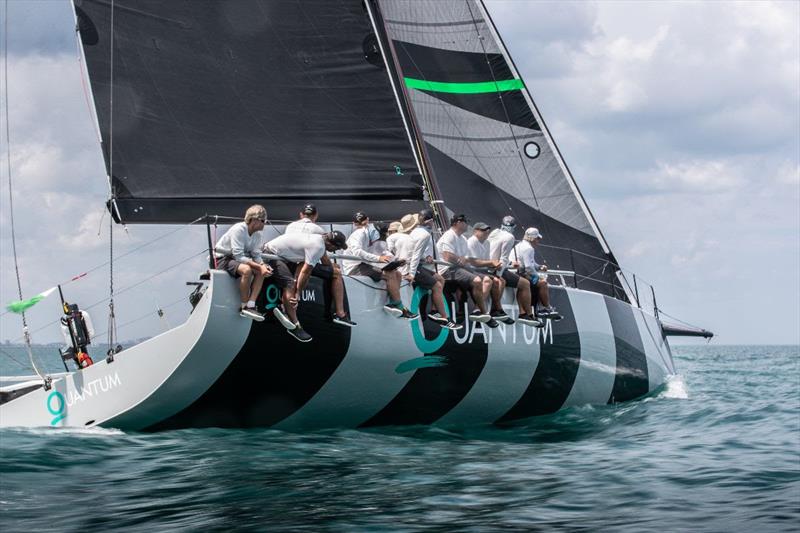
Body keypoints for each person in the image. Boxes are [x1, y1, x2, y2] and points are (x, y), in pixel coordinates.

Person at [263, 231, 353, 342]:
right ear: (331, 244)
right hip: (271, 254)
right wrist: (298, 294)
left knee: (325, 271)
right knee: (290, 284)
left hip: (285, 257)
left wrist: (333, 269)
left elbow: (326, 264)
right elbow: (305, 272)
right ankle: (295, 325)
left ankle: (339, 313)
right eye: (337, 248)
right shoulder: (317, 246)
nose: (336, 250)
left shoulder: (321, 240)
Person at [343, 212, 416, 320]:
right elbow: (357, 252)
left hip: (365, 265)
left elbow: (384, 252)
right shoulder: (359, 233)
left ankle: (392, 303)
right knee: (390, 274)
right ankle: (399, 306)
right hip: (354, 266)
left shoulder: (375, 236)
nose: (380, 239)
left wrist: (397, 260)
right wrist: (378, 259)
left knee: (398, 274)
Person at [213, 204, 273, 321]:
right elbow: (238, 255)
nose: (264, 223)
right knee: (247, 270)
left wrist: (262, 265)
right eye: (263, 220)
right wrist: (259, 266)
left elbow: (256, 254)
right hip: (223, 259)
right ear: (254, 220)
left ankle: (251, 305)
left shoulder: (258, 234)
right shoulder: (239, 229)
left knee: (262, 272)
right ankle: (244, 306)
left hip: (237, 259)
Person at [406, 209, 462, 331]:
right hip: (412, 267)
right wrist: (411, 274)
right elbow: (415, 255)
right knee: (436, 286)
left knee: (440, 279)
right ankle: (445, 318)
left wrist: (425, 257)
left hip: (416, 265)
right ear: (430, 221)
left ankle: (433, 311)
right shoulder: (425, 234)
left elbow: (415, 252)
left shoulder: (416, 231)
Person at [436, 214, 492, 324]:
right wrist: (459, 259)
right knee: (476, 280)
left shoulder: (463, 238)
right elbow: (447, 256)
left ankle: (477, 310)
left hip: (458, 268)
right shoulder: (449, 235)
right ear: (458, 223)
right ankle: (484, 312)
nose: (467, 224)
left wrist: (462, 259)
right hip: (447, 269)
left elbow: (465, 258)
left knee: (487, 280)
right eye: (466, 222)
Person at [487, 216, 542, 327]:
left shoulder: (494, 233)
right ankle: (526, 315)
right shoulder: (509, 237)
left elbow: (494, 254)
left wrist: (510, 264)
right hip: (496, 269)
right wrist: (498, 275)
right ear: (514, 227)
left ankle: (517, 313)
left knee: (517, 282)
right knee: (525, 284)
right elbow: (503, 258)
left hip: (489, 266)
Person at [466, 222, 513, 324]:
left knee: (501, 281)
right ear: (475, 231)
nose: (486, 232)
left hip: (481, 270)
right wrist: (491, 262)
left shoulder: (487, 243)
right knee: (489, 281)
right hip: (471, 269)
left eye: (487, 230)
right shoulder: (471, 241)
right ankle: (478, 309)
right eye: (483, 230)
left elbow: (485, 261)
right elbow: (474, 262)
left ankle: (495, 309)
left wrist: (495, 265)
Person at [513, 228, 562, 320]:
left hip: (517, 272)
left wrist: (539, 267)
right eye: (537, 239)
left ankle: (541, 307)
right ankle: (546, 308)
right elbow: (528, 267)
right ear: (533, 238)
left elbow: (531, 263)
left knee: (537, 281)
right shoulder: (529, 248)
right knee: (543, 283)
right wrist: (537, 276)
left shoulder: (520, 245)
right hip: (520, 273)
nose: (538, 241)